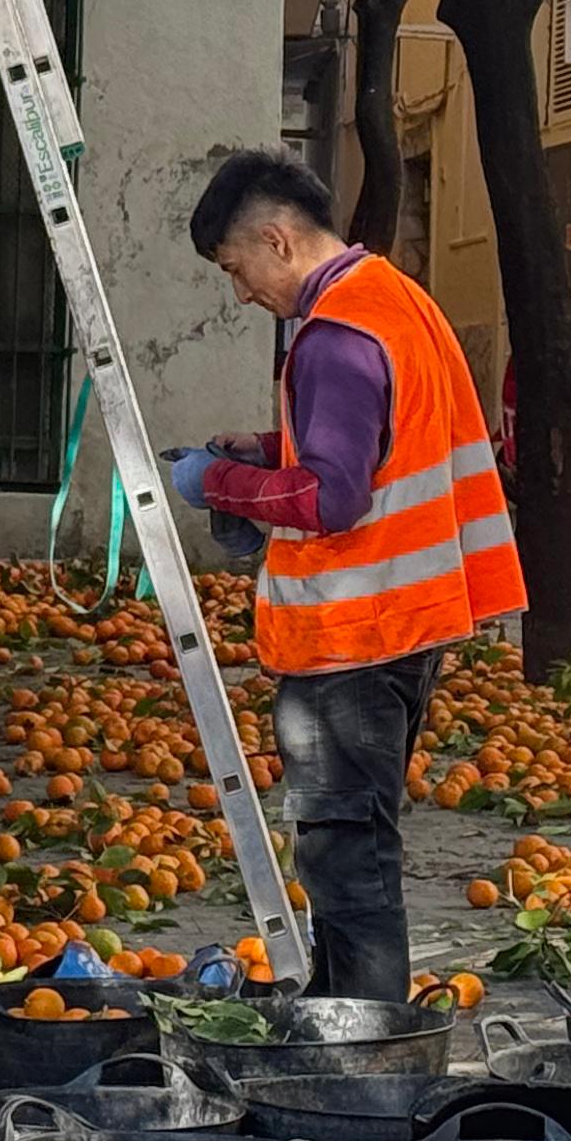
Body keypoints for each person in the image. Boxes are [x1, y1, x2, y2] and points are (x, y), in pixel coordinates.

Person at [171, 151, 525, 1007]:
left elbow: (329, 495)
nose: (242, 292)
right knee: (354, 847)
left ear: (276, 240)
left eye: (236, 269)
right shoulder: (396, 302)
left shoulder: (334, 337)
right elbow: (381, 441)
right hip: (410, 626)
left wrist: (215, 484)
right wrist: (262, 452)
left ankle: (366, 1049)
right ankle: (337, 1015)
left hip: (352, 639)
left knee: (348, 856)